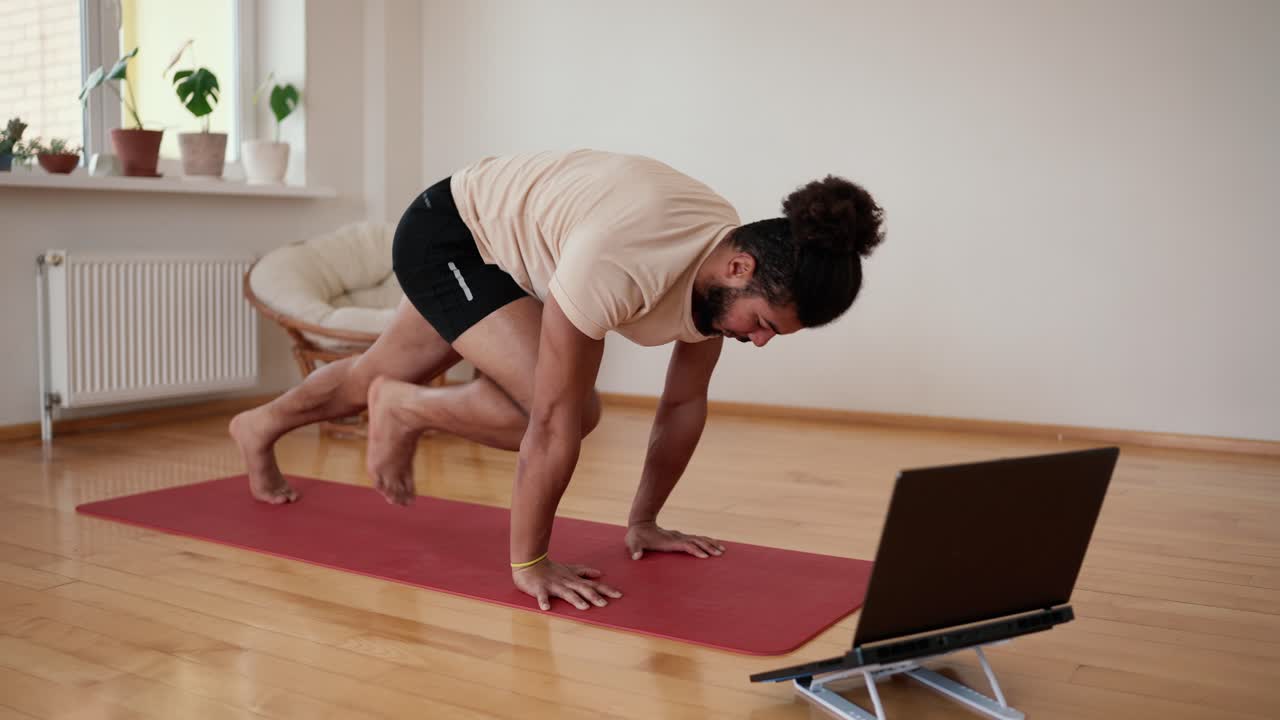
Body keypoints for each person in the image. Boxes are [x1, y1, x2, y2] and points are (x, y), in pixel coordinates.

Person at [230, 149, 884, 611]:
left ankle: (259, 426)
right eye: (763, 324)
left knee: (376, 370)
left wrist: (645, 521)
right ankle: (403, 409)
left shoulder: (722, 264)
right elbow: (552, 420)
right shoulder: (623, 261)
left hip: (511, 249)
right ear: (739, 268)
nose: (759, 341)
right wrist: (531, 562)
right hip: (451, 235)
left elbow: (684, 402)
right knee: (569, 409)